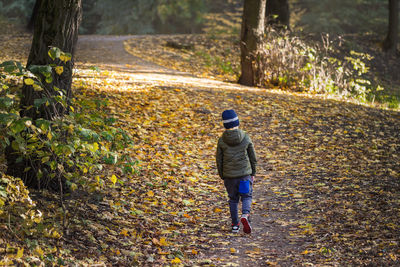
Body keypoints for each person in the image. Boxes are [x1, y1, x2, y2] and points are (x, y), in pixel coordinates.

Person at [216, 109, 257, 234]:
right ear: (237, 122)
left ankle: (235, 225)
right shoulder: (245, 137)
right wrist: (253, 173)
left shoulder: (222, 140)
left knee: (233, 199)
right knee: (246, 196)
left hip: (229, 177)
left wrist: (222, 175)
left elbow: (219, 160)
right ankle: (245, 214)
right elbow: (252, 157)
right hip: (244, 175)